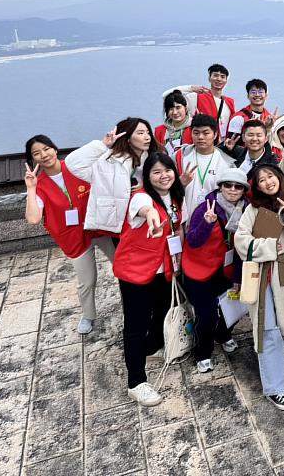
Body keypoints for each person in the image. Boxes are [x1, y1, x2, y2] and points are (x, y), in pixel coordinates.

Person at [234, 165, 284, 411]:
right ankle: (275, 388)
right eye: (261, 180)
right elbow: (240, 239)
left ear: (279, 177)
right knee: (266, 329)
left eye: (270, 177)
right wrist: (267, 246)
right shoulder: (252, 209)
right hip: (261, 276)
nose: (267, 182)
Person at [23, 135, 116, 334]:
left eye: (46, 149)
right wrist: (31, 189)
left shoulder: (76, 166)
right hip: (73, 237)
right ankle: (88, 315)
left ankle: (133, 306)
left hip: (99, 227)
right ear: (33, 160)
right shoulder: (39, 185)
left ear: (55, 149)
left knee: (123, 267)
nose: (44, 155)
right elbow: (33, 219)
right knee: (87, 281)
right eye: (36, 153)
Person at [112, 152, 185, 407]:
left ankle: (152, 347)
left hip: (164, 269)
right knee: (135, 325)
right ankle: (136, 382)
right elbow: (144, 209)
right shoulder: (140, 198)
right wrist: (151, 215)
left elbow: (177, 229)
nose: (163, 176)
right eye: (156, 172)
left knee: (162, 310)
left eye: (167, 170)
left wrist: (177, 261)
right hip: (137, 272)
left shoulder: (176, 196)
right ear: (147, 176)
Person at [182, 167, 250, 372]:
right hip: (200, 270)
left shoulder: (246, 211)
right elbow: (193, 241)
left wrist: (239, 276)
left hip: (228, 268)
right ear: (220, 187)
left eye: (237, 186)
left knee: (234, 307)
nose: (232, 189)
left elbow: (242, 246)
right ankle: (203, 352)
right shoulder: (206, 208)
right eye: (227, 185)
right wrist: (206, 223)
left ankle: (223, 334)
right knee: (208, 315)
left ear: (243, 190)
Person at [66, 118, 162, 234]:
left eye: (148, 132)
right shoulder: (108, 159)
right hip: (115, 221)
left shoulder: (154, 157)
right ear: (127, 138)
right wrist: (103, 145)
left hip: (144, 217)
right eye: (140, 133)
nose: (147, 137)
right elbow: (73, 164)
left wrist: (146, 185)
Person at [172, 114, 233, 220]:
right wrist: (179, 184)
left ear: (215, 135)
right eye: (196, 133)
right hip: (183, 219)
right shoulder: (179, 157)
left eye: (206, 133)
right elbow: (165, 188)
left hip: (213, 222)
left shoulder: (227, 163)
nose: (200, 137)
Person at [162, 63, 236, 140]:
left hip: (222, 144)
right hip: (202, 141)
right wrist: (191, 88)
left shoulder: (229, 102)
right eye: (215, 75)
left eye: (222, 77)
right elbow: (166, 95)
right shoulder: (196, 97)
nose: (219, 79)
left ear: (226, 80)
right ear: (209, 78)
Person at [154, 90, 193, 154]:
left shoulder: (194, 128)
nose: (175, 112)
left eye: (178, 108)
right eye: (171, 109)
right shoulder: (159, 131)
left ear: (186, 108)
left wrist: (191, 88)